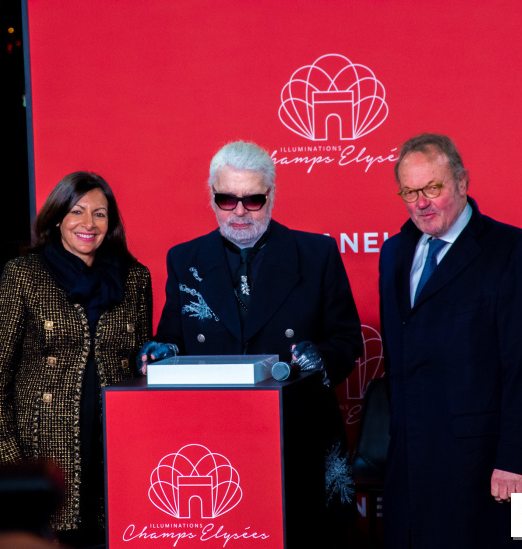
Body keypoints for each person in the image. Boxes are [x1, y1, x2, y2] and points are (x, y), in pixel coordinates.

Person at [140, 140, 363, 538]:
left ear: (271, 195)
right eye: (227, 199)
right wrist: (163, 351)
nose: (240, 211)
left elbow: (347, 339)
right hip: (213, 439)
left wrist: (320, 357)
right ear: (212, 198)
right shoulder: (184, 259)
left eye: (253, 199)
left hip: (299, 434)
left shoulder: (317, 253)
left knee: (306, 535)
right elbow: (173, 335)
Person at [379, 133, 522, 548]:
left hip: (485, 469)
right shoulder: (394, 253)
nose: (420, 202)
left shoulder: (514, 251)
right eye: (409, 191)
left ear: (462, 183)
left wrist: (514, 459)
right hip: (411, 463)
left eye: (432, 188)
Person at [0, 171, 153, 548]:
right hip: (40, 453)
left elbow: (144, 374)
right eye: (78, 211)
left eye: (100, 214)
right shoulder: (23, 274)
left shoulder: (136, 278)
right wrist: (10, 465)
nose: (89, 224)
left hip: (114, 452)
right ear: (58, 218)